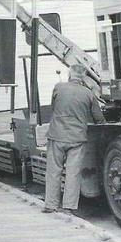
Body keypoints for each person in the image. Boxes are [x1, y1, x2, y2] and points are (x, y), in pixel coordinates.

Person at [43, 64, 104, 215]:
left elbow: (54, 107)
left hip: (56, 135)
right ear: (84, 76)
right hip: (77, 138)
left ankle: (50, 205)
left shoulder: (58, 88)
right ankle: (68, 208)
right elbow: (98, 119)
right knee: (73, 173)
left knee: (53, 171)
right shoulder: (88, 94)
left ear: (70, 74)